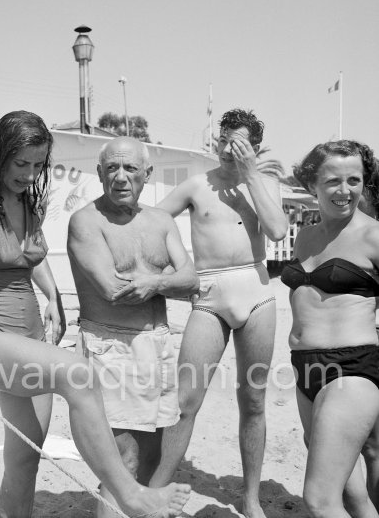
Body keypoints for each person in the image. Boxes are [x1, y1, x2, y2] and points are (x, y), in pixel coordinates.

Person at [0, 111, 191, 518]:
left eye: (37, 165)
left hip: (29, 337)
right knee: (77, 373)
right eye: (20, 163)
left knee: (26, 458)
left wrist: (51, 296)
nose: (29, 174)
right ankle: (131, 495)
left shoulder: (28, 200)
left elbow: (31, 255)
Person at [149, 109, 288, 518]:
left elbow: (278, 230)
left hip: (256, 290)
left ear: (255, 149)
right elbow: (154, 220)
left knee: (254, 400)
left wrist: (250, 175)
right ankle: (156, 490)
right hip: (209, 291)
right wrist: (173, 267)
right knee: (185, 399)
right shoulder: (197, 185)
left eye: (240, 143)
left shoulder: (267, 185)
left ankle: (249, 497)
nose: (230, 150)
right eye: (225, 140)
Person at [67, 136, 199, 518]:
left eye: (130, 169)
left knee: (150, 457)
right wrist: (165, 281)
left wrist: (156, 283)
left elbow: (191, 280)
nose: (121, 177)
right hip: (112, 348)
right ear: (99, 173)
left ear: (147, 174)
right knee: (121, 459)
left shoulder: (160, 220)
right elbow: (112, 290)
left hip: (159, 344)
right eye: (112, 168)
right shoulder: (86, 222)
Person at [280, 140, 379, 517]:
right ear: (312, 185)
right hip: (305, 369)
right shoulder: (305, 236)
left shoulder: (373, 235)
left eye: (354, 180)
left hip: (352, 370)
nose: (345, 191)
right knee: (353, 497)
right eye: (334, 181)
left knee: (320, 499)